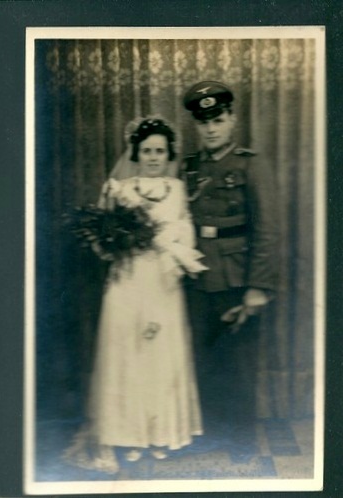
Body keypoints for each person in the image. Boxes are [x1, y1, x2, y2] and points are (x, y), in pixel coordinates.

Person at [64, 117, 206, 473]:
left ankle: (160, 435)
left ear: (169, 153)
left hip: (164, 281)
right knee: (129, 354)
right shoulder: (118, 189)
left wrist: (173, 237)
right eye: (147, 151)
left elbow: (187, 233)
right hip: (128, 281)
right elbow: (103, 243)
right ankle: (129, 435)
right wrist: (119, 241)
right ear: (136, 153)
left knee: (161, 354)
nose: (154, 157)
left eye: (160, 150)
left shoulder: (176, 189)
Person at [181, 81, 278, 445]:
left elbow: (268, 230)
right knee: (203, 361)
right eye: (203, 122)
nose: (210, 128)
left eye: (217, 119)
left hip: (238, 278)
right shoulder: (188, 168)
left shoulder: (252, 166)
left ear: (232, 119)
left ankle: (240, 440)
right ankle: (209, 434)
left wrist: (258, 287)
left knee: (238, 363)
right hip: (196, 277)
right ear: (196, 126)